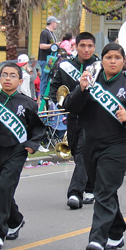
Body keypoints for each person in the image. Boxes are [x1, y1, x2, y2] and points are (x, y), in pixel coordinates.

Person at [62, 43, 126, 250]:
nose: (112, 61)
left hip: (118, 144)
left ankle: (97, 239)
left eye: (117, 57)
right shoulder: (90, 80)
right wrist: (81, 89)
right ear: (101, 60)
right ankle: (116, 231)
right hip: (90, 142)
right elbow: (70, 106)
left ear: (124, 61)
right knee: (102, 188)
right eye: (108, 57)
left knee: (104, 190)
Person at [0, 62, 46, 250]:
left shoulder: (28, 103)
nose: (7, 78)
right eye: (4, 74)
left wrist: (32, 145)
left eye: (13, 75)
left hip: (17, 151)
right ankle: (16, 220)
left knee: (6, 186)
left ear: (20, 81)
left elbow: (37, 128)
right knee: (0, 189)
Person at [48, 32, 99, 209]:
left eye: (90, 46)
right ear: (76, 47)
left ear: (94, 47)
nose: (86, 49)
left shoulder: (100, 66)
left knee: (84, 152)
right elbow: (55, 89)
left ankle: (75, 193)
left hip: (93, 118)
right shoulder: (65, 66)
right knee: (78, 154)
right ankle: (90, 187)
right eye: (82, 46)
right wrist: (61, 103)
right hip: (73, 116)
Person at [38, 16, 60, 93]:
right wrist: (53, 45)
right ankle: (42, 96)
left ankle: (47, 94)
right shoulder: (45, 33)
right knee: (44, 78)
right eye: (56, 23)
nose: (56, 24)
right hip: (45, 59)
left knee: (49, 79)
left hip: (51, 59)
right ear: (52, 23)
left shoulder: (52, 33)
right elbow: (41, 46)